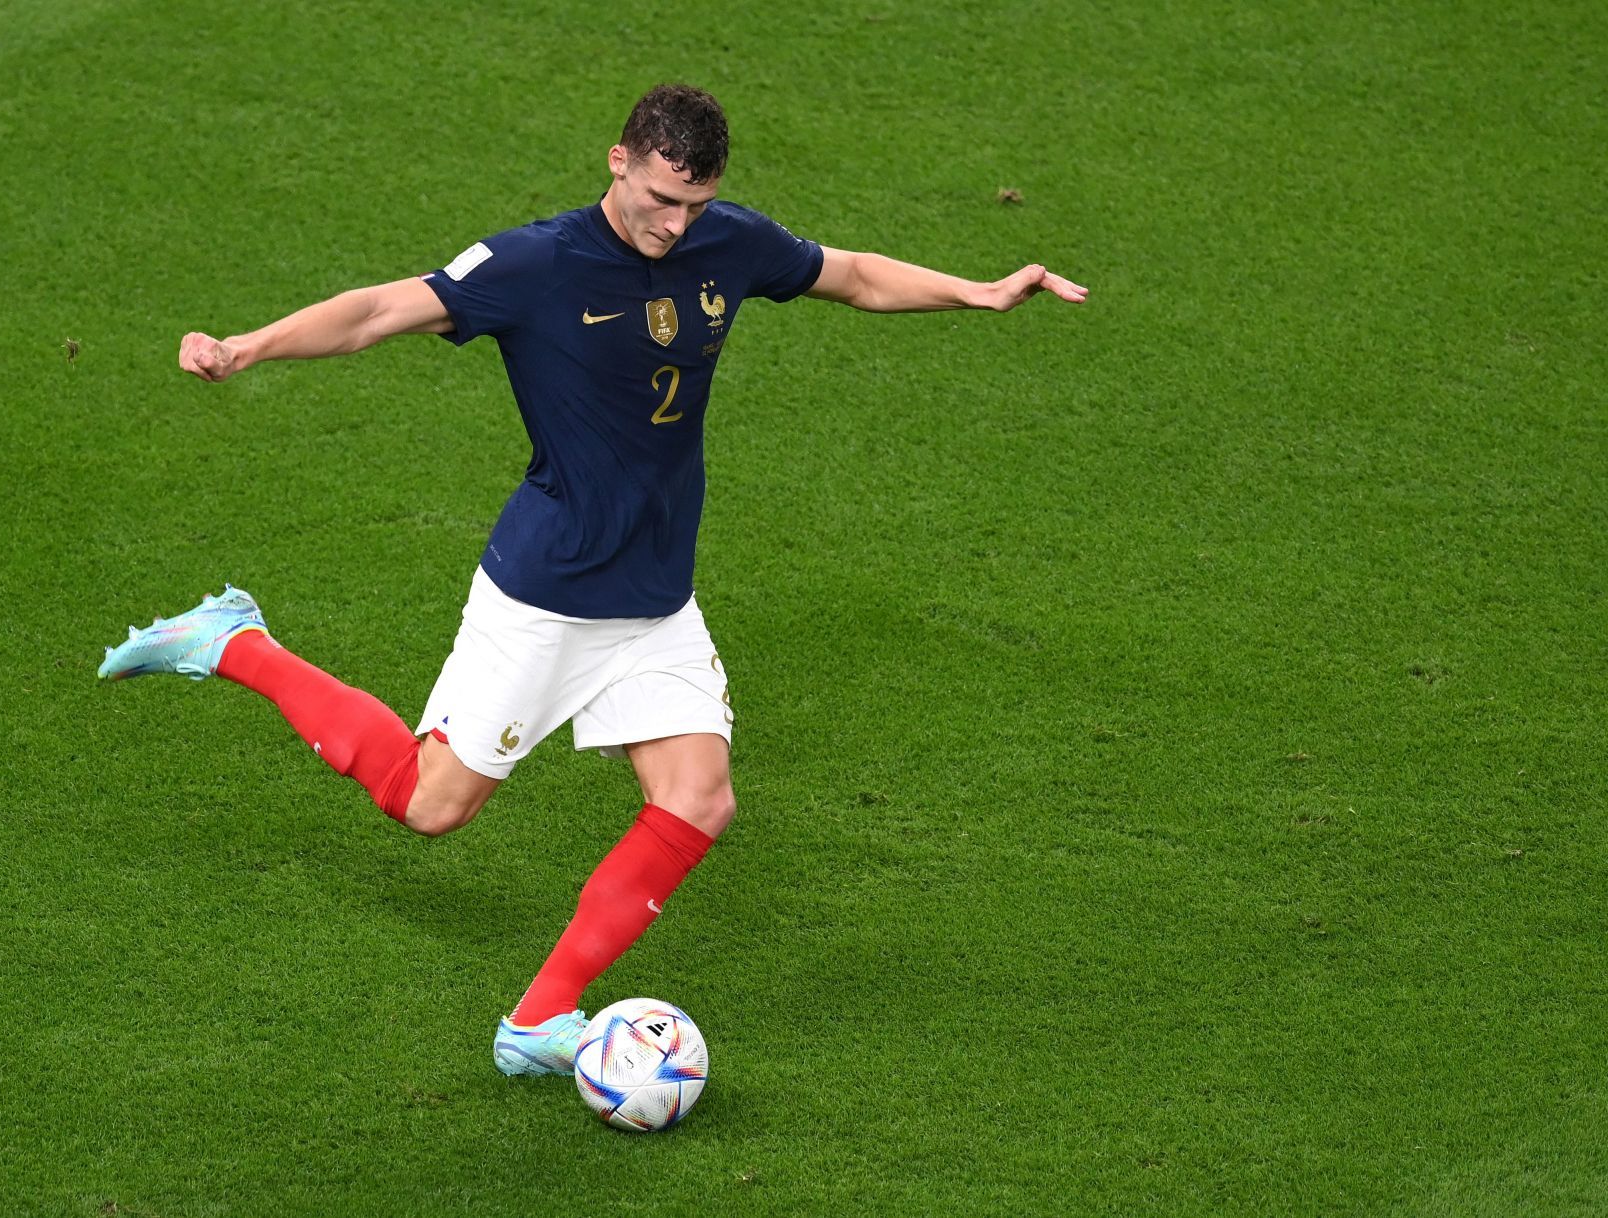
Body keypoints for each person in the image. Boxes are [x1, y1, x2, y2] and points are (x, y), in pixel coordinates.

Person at [98, 83, 1087, 1078]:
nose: (675, 223)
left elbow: (858, 275)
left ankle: (538, 1020)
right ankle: (235, 642)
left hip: (656, 598)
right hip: (546, 596)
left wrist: (979, 289)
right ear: (620, 159)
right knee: (429, 803)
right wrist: (246, 347)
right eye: (662, 197)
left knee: (699, 800)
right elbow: (376, 312)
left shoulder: (725, 243)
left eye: (695, 204)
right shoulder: (535, 263)